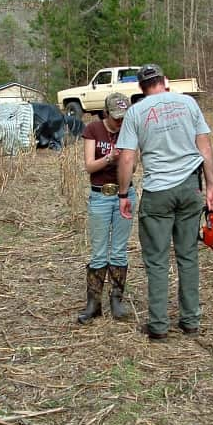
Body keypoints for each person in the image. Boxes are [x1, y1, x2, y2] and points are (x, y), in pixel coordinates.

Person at [116, 64, 213, 341]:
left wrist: (124, 193)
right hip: (190, 189)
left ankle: (159, 326)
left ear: (141, 87)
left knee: (158, 261)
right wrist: (211, 186)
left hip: (158, 192)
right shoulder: (188, 103)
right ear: (165, 81)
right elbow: (205, 147)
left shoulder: (136, 112)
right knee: (188, 256)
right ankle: (190, 321)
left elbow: (127, 158)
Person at [77, 92, 136, 324]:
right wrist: (110, 158)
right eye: (116, 117)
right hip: (100, 195)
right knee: (99, 251)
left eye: (123, 117)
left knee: (119, 250)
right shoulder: (93, 129)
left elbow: (134, 163)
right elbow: (90, 166)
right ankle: (94, 303)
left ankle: (116, 301)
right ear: (105, 113)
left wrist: (128, 159)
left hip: (125, 193)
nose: (120, 122)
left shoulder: (130, 130)